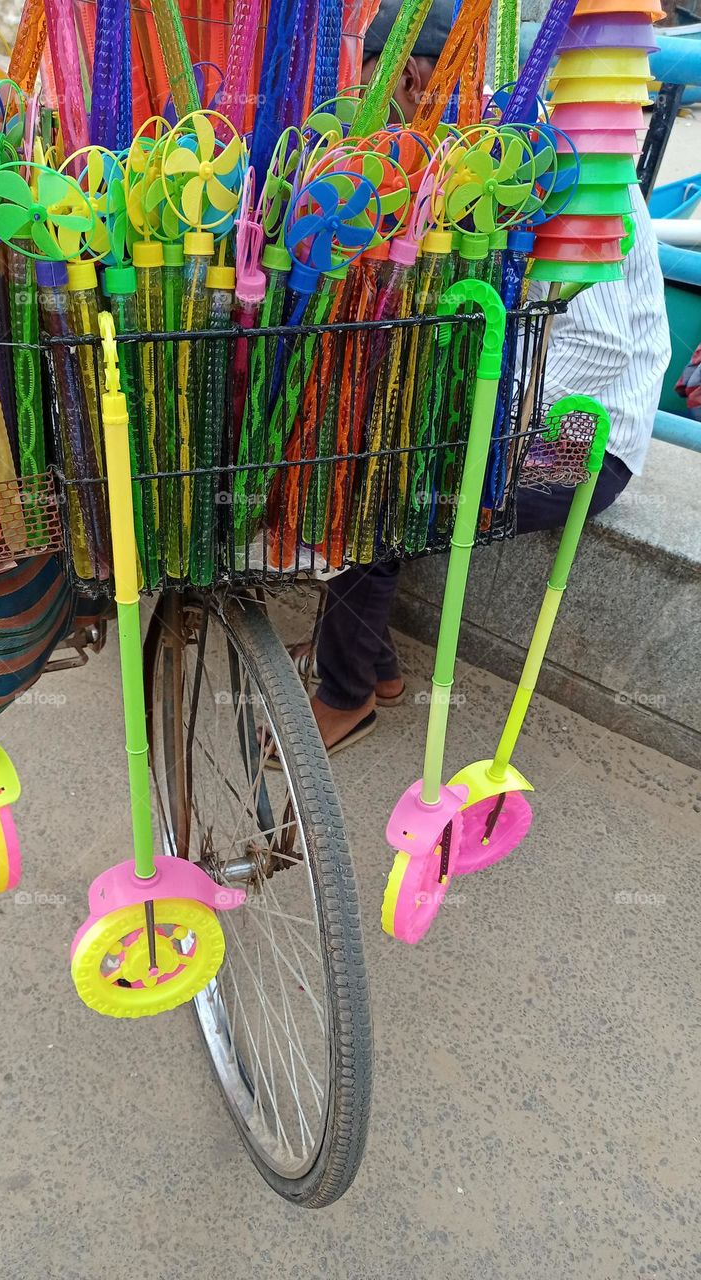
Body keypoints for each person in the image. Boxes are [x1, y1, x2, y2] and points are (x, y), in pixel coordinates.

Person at [299, 1, 672, 755]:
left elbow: (591, 353)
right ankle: (372, 666)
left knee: (379, 495)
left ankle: (345, 696)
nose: (391, 109)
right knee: (357, 453)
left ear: (413, 75)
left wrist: (478, 439)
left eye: (385, 87)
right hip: (526, 409)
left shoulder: (554, 163)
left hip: (585, 436)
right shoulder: (473, 155)